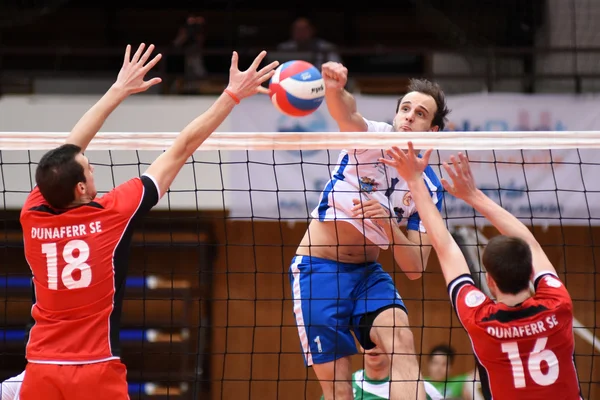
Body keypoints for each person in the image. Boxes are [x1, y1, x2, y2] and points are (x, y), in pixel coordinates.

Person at [18, 43, 278, 400]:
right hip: (97, 369)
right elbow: (182, 147)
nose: (92, 167)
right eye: (90, 169)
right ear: (80, 187)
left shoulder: (32, 215)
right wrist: (231, 95)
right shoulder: (112, 214)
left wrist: (118, 89)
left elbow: (66, 153)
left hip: (42, 370)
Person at [290, 61, 450, 400]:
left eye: (420, 113)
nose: (408, 116)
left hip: (367, 275)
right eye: (405, 108)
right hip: (318, 270)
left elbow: (415, 268)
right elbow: (346, 115)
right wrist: (334, 88)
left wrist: (389, 226)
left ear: (433, 131)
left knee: (402, 342)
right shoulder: (372, 137)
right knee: (339, 390)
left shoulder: (428, 189)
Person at [381, 143, 583, 399]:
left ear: (490, 281)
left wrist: (414, 180)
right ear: (530, 273)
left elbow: (445, 248)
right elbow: (531, 244)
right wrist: (474, 195)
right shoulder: (558, 305)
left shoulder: (481, 320)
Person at [319, 345, 444, 400]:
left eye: (379, 339)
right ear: (360, 346)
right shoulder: (340, 388)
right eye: (368, 340)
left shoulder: (422, 390)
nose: (373, 346)